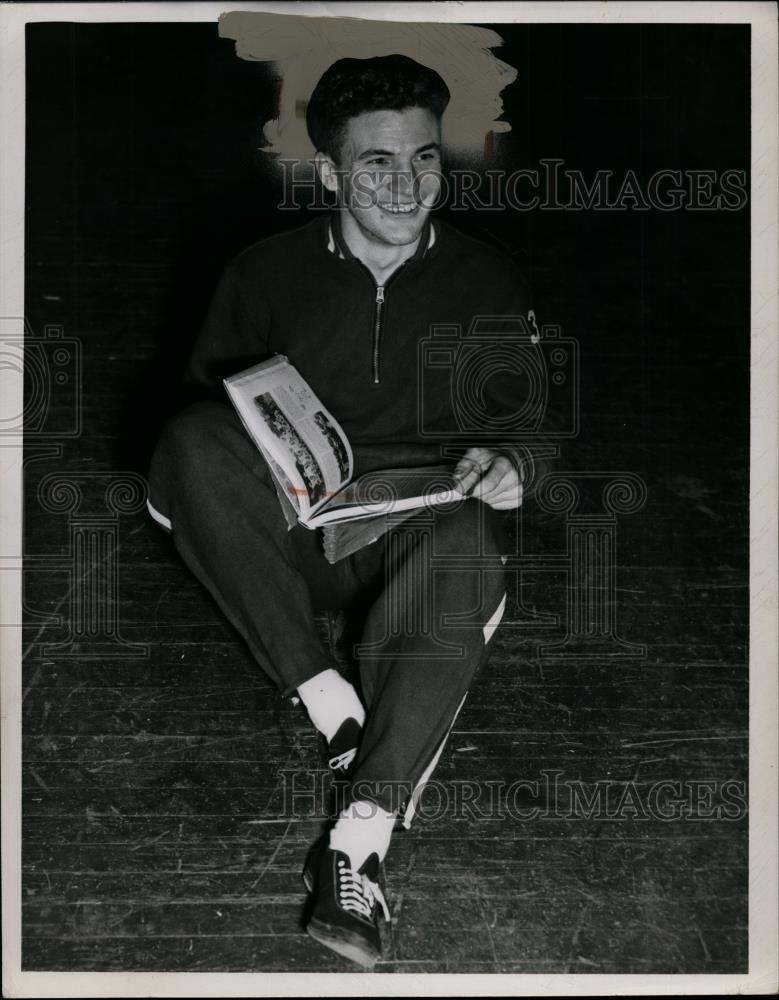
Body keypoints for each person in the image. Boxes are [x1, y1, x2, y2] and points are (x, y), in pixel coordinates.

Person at [146, 54, 533, 968]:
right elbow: (207, 412)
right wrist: (274, 462)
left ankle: (359, 840)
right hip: (294, 536)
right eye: (375, 163)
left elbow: (526, 421)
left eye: (425, 158)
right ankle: (331, 701)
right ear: (327, 172)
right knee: (187, 447)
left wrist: (512, 461)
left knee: (474, 539)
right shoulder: (263, 272)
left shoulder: (487, 279)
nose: (407, 185)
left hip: (415, 539)